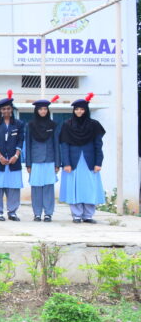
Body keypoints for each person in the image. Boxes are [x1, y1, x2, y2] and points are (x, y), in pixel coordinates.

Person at [59, 93, 105, 224]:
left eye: (82, 109)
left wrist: (98, 162)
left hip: (89, 161)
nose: (79, 111)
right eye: (76, 109)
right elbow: (64, 145)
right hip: (73, 162)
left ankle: (88, 216)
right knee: (75, 188)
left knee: (89, 187)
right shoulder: (67, 124)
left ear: (86, 110)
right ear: (73, 110)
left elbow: (98, 145)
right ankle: (77, 215)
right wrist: (66, 163)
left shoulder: (94, 125)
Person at [0, 90, 24, 222]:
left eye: (8, 108)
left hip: (14, 161)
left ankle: (12, 211)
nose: (6, 111)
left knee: (13, 187)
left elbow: (21, 140)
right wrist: (0, 157)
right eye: (3, 109)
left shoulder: (19, 124)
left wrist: (16, 155)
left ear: (12, 109)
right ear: (0, 111)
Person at [25, 97, 61, 222]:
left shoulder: (53, 125)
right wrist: (28, 163)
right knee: (36, 188)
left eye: (45, 109)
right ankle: (37, 213)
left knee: (48, 187)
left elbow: (57, 144)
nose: (43, 111)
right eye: (40, 109)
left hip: (50, 160)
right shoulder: (30, 125)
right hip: (35, 160)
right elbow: (28, 145)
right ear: (36, 111)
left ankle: (48, 213)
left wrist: (58, 163)